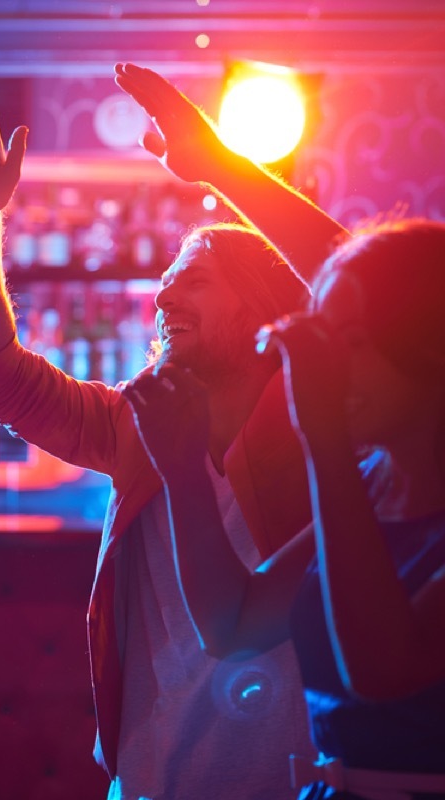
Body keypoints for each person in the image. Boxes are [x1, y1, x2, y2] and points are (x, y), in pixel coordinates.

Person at [0, 76, 325, 798]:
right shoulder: (136, 423)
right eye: (166, 280)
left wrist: (221, 164)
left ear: (268, 305)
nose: (165, 296)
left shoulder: (324, 428)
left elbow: (369, 292)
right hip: (150, 783)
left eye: (197, 281)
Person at [118, 63, 445, 799]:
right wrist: (181, 475)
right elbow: (233, 624)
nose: (322, 356)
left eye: (346, 339)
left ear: (430, 352)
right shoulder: (376, 480)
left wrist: (324, 438)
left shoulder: (350, 470)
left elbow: (384, 670)